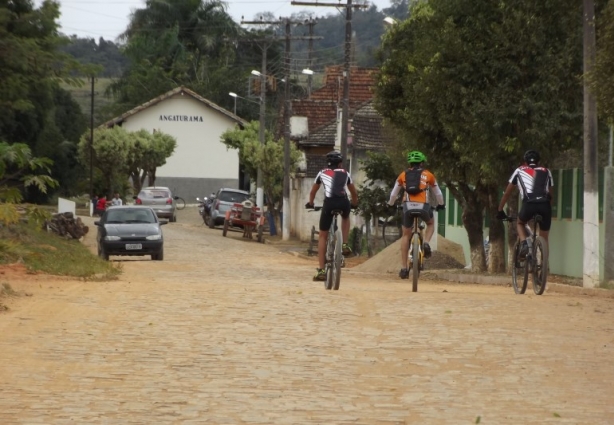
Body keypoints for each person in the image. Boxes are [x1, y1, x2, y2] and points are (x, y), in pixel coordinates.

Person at [387, 151, 445, 279]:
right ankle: (427, 243)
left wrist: (390, 204)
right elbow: (438, 193)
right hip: (424, 207)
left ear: (410, 163)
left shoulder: (403, 175)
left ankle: (403, 268)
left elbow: (393, 194)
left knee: (406, 235)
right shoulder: (428, 175)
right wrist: (441, 204)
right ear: (422, 163)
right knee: (430, 223)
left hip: (407, 207)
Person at [305, 151, 359, 281]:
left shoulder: (322, 173)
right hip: (343, 202)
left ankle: (322, 270)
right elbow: (354, 192)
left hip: (329, 204)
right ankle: (345, 244)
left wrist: (311, 203)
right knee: (346, 217)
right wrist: (355, 204)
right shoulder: (346, 173)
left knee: (323, 235)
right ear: (340, 163)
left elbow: (313, 191)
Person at [497, 149, 554, 259]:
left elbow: (507, 193)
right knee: (545, 237)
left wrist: (500, 210)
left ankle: (523, 243)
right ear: (539, 161)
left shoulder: (519, 170)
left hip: (529, 204)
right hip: (545, 205)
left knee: (520, 223)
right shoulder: (547, 171)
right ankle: (544, 267)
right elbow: (551, 194)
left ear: (525, 161)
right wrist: (547, 209)